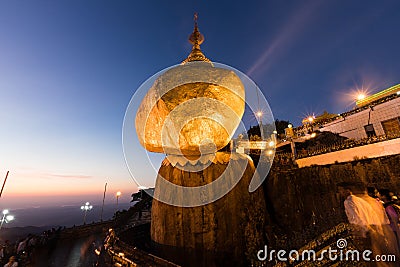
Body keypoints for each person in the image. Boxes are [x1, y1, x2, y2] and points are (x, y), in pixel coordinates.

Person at [337, 181, 399, 266]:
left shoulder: (349, 201)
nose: (340, 193)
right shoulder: (362, 201)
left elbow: (356, 218)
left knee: (372, 259)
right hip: (376, 229)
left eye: (340, 190)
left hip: (366, 231)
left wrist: (360, 231)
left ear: (347, 190)